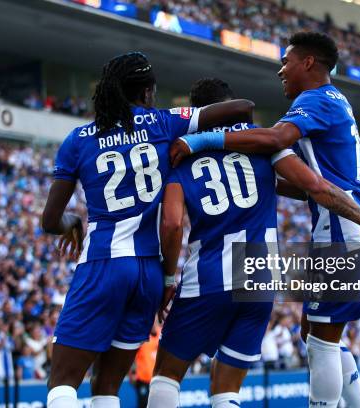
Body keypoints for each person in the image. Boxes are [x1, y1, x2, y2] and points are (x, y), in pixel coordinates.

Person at [169, 33, 360, 408]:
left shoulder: (316, 99)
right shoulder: (335, 100)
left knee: (321, 341)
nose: (280, 70)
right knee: (313, 332)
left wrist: (205, 141)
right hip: (343, 225)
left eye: (286, 61)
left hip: (342, 228)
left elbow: (276, 139)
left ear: (308, 63)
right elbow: (308, 186)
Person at [42, 52, 255, 408]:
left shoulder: (78, 140)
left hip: (103, 265)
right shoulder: (162, 122)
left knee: (62, 383)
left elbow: (50, 221)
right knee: (107, 387)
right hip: (148, 275)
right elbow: (242, 106)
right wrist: (195, 141)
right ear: (146, 93)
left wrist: (71, 223)